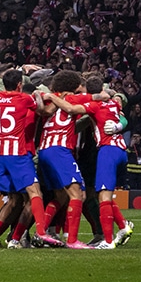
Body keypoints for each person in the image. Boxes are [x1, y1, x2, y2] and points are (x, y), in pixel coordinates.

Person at [45, 83, 133, 249]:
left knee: (100, 196)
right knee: (98, 194)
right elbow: (120, 110)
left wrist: (53, 98)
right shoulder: (112, 102)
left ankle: (107, 240)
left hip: (105, 151)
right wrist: (119, 124)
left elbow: (70, 109)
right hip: (120, 149)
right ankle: (122, 226)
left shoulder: (94, 104)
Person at [0, 68, 57, 249]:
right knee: (35, 192)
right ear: (19, 84)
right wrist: (38, 95)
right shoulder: (24, 99)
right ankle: (41, 232)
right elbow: (42, 110)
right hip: (16, 153)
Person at [35, 69, 97, 249]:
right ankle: (72, 240)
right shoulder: (72, 99)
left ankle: (41, 232)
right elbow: (99, 97)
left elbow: (40, 107)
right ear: (74, 86)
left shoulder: (48, 99)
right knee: (78, 194)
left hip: (44, 151)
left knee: (61, 195)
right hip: (59, 150)